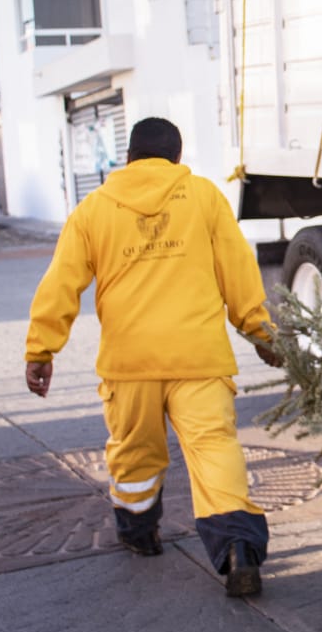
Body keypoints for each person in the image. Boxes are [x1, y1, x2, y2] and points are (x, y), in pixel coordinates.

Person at [24, 117, 283, 598]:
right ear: (176, 159)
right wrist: (261, 333)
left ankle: (140, 534)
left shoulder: (93, 209)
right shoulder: (204, 197)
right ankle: (238, 550)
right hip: (199, 359)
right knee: (214, 451)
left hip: (130, 365)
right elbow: (239, 271)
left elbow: (61, 283)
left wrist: (42, 349)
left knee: (135, 454)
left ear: (128, 159)